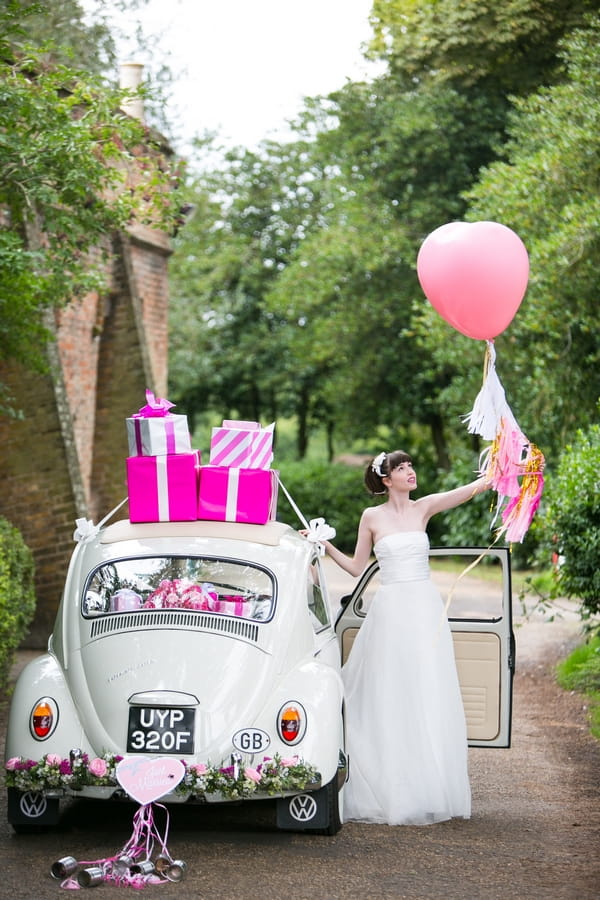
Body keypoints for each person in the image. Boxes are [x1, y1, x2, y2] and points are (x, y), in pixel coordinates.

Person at [320, 449, 490, 826]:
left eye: (411, 465)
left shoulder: (424, 507)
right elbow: (355, 567)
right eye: (402, 468)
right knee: (390, 692)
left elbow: (473, 488)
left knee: (427, 686)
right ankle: (390, 785)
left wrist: (510, 468)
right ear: (386, 479)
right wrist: (324, 545)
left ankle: (428, 785)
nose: (411, 472)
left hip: (425, 610)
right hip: (392, 611)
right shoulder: (371, 517)